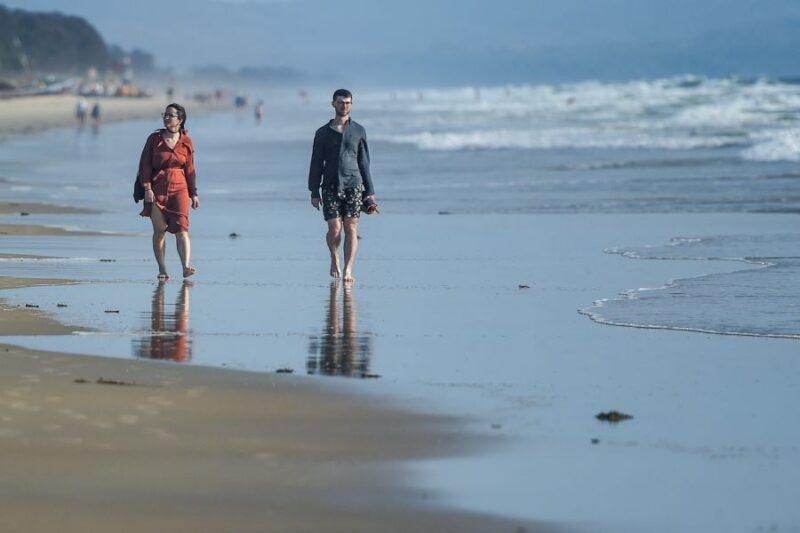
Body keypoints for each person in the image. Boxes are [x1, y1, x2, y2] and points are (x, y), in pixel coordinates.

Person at [308, 89, 376, 283]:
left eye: (347, 103)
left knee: (351, 227)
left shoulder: (359, 131)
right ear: (333, 104)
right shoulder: (322, 133)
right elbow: (316, 162)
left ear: (351, 105)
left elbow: (364, 162)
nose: (344, 106)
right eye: (340, 102)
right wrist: (314, 190)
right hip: (329, 185)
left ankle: (348, 270)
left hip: (354, 184)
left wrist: (369, 192)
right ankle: (334, 256)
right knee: (335, 228)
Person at [137, 103, 200, 280]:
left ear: (180, 119)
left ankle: (186, 266)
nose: (166, 118)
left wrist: (193, 193)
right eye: (164, 115)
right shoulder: (154, 139)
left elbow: (190, 169)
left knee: (182, 228)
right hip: (157, 189)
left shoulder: (187, 141)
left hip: (180, 189)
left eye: (170, 115)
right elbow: (145, 166)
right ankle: (162, 269)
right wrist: (147, 188)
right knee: (159, 231)